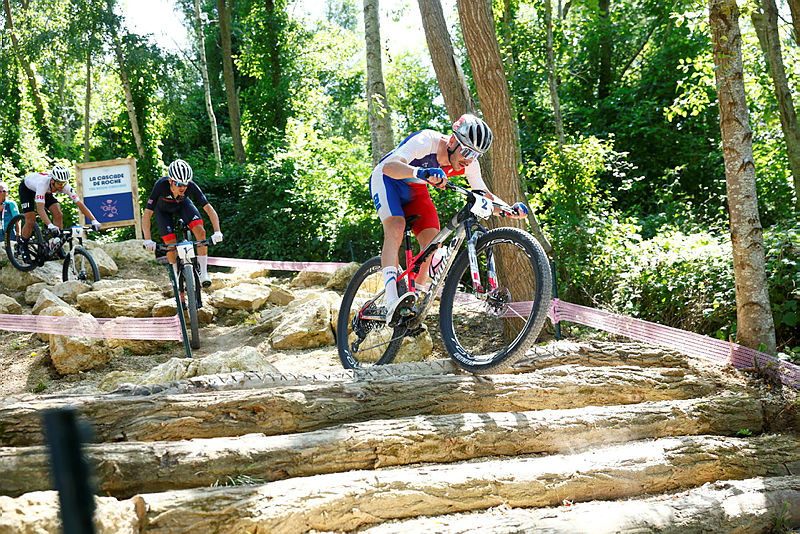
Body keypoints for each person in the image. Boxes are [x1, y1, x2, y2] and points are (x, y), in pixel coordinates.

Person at [369, 113, 528, 324]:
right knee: (396, 227)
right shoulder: (427, 141)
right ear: (452, 141)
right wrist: (422, 173)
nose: (469, 159)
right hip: (388, 179)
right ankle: (390, 300)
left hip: (416, 189)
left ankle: (411, 305)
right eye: (467, 151)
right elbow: (390, 166)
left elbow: (482, 196)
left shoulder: (469, 163)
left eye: (476, 155)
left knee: (433, 243)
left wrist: (508, 209)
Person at [141, 159, 222, 287]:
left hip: (183, 206)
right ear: (170, 181)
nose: (183, 187)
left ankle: (204, 273)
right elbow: (147, 214)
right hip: (163, 211)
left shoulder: (191, 187)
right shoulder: (160, 186)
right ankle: (175, 276)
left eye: (185, 184)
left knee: (201, 232)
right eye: (179, 184)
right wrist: (147, 239)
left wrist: (217, 231)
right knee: (170, 245)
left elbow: (208, 208)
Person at [18, 165, 102, 242]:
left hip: (47, 191)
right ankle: (23, 245)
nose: (61, 186)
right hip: (27, 189)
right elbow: (40, 209)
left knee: (58, 213)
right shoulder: (42, 184)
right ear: (52, 180)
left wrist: (93, 220)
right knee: (31, 220)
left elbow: (80, 204)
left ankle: (57, 242)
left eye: (63, 183)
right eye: (59, 183)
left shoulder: (66, 187)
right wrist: (50, 225)